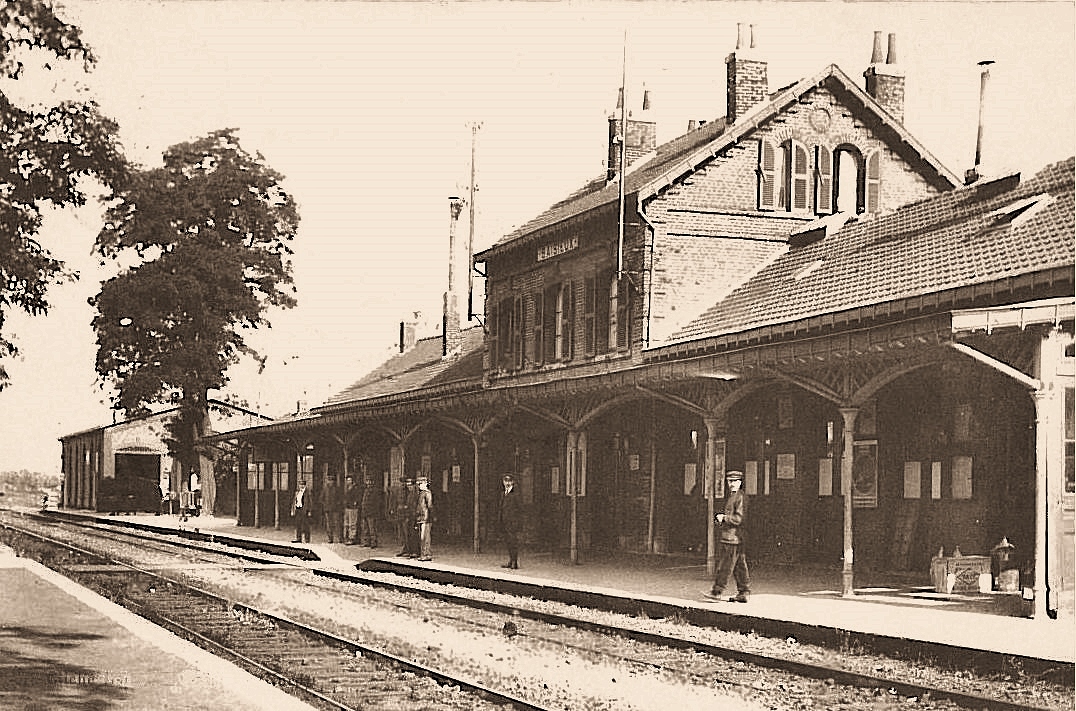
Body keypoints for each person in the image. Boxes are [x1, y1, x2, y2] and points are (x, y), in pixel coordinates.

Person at [706, 470, 750, 603]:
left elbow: (739, 519)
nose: (732, 484)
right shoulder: (733, 496)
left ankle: (717, 591)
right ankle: (744, 592)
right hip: (733, 537)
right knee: (739, 566)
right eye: (730, 481)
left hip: (734, 538)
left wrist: (723, 518)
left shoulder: (741, 497)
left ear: (740, 482)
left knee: (726, 565)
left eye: (735, 481)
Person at [498, 473, 523, 569]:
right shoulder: (503, 493)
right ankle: (510, 560)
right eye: (505, 481)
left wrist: (517, 521)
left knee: (513, 542)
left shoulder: (515, 494)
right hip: (505, 521)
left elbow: (520, 508)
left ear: (512, 482)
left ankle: (514, 562)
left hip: (512, 522)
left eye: (509, 481)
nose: (507, 483)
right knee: (508, 541)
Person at [395, 478, 416, 557]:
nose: (404, 484)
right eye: (403, 483)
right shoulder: (400, 491)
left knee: (408, 534)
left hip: (406, 515)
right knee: (401, 534)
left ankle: (409, 550)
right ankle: (403, 549)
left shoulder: (410, 492)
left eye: (406, 483)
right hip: (400, 514)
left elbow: (409, 505)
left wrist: (407, 515)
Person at [414, 475, 433, 561]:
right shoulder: (421, 493)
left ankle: (426, 554)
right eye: (418, 484)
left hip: (425, 518)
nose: (419, 485)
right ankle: (423, 553)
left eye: (420, 483)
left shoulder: (427, 493)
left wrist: (430, 517)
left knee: (425, 537)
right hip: (421, 517)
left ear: (425, 484)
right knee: (421, 537)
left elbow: (430, 506)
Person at [319, 473, 342, 543]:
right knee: (329, 525)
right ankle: (330, 538)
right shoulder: (325, 489)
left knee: (337, 524)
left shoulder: (337, 489)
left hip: (335, 509)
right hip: (327, 510)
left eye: (332, 480)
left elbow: (340, 498)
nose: (330, 482)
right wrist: (325, 504)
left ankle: (340, 538)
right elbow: (321, 499)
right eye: (329, 480)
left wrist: (337, 504)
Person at [360, 473, 381, 547]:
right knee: (365, 528)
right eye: (367, 481)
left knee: (372, 528)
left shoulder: (375, 491)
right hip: (365, 511)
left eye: (369, 481)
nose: (368, 483)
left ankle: (373, 542)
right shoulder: (365, 490)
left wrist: (373, 511)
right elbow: (363, 501)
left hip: (371, 512)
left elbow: (377, 502)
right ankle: (367, 542)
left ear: (372, 482)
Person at [342, 474, 361, 545]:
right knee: (346, 523)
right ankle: (346, 537)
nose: (348, 481)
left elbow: (357, 497)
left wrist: (355, 503)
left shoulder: (355, 488)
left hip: (353, 508)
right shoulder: (347, 488)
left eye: (349, 480)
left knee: (352, 524)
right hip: (347, 507)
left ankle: (352, 538)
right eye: (347, 480)